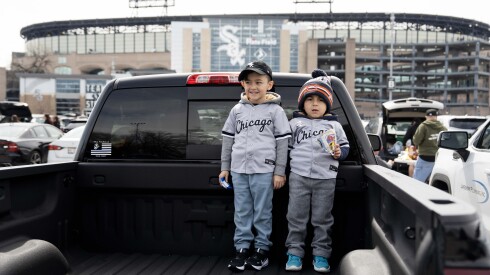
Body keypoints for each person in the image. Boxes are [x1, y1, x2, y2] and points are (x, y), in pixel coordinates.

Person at [219, 61, 291, 272]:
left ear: (269, 84)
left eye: (259, 81)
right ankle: (241, 250)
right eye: (248, 82)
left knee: (262, 212)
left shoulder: (275, 111)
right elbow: (227, 139)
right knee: (241, 212)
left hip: (264, 171)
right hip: (239, 170)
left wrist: (279, 171)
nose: (253, 86)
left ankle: (261, 251)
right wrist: (225, 167)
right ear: (242, 84)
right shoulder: (237, 110)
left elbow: (282, 143)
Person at [285, 69, 350, 273]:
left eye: (320, 100)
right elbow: (284, 149)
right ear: (302, 103)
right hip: (298, 176)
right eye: (310, 99)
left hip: (326, 177)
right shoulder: (294, 124)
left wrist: (340, 152)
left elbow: (345, 148)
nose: (315, 104)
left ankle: (321, 255)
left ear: (327, 104)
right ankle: (294, 253)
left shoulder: (334, 126)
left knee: (323, 219)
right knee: (296, 217)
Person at [412, 109, 447, 183]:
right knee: (433, 182)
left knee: (417, 182)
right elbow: (447, 142)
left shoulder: (423, 126)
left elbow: (416, 141)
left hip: (425, 157)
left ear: (426, 117)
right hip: (438, 158)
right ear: (436, 117)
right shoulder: (443, 128)